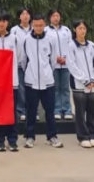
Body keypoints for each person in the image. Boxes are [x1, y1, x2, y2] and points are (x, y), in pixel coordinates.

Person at [21, 14, 63, 149]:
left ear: (44, 25)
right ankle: (30, 137)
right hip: (31, 81)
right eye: (36, 25)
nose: (38, 28)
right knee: (31, 111)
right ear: (32, 25)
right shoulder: (26, 40)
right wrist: (31, 72)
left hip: (48, 82)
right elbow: (23, 60)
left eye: (41, 25)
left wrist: (47, 73)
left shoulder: (50, 40)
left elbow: (53, 61)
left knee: (49, 111)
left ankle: (52, 136)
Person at [0, 11, 22, 152]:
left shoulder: (14, 39)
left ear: (8, 22)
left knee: (12, 112)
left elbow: (19, 57)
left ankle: (12, 140)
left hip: (12, 82)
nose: (1, 23)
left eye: (4, 21)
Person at [66, 20, 94, 149]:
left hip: (92, 85)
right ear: (74, 30)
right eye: (79, 28)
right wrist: (85, 80)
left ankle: (93, 135)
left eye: (84, 28)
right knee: (80, 112)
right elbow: (72, 65)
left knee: (92, 111)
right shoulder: (71, 46)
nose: (82, 31)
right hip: (79, 85)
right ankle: (83, 137)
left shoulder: (92, 45)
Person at [45, 9, 73, 120]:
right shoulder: (46, 31)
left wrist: (66, 58)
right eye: (53, 16)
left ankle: (67, 110)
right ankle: (56, 110)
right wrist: (55, 57)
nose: (56, 18)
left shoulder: (66, 30)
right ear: (50, 18)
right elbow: (45, 47)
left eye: (57, 15)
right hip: (53, 64)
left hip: (66, 64)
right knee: (55, 88)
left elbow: (70, 45)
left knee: (65, 88)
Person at [10, 7, 31, 121]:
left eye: (27, 14)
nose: (25, 16)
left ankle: (32, 110)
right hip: (18, 63)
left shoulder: (35, 28)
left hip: (32, 63)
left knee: (32, 88)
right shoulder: (14, 30)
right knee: (21, 88)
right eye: (23, 14)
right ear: (19, 16)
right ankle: (21, 110)